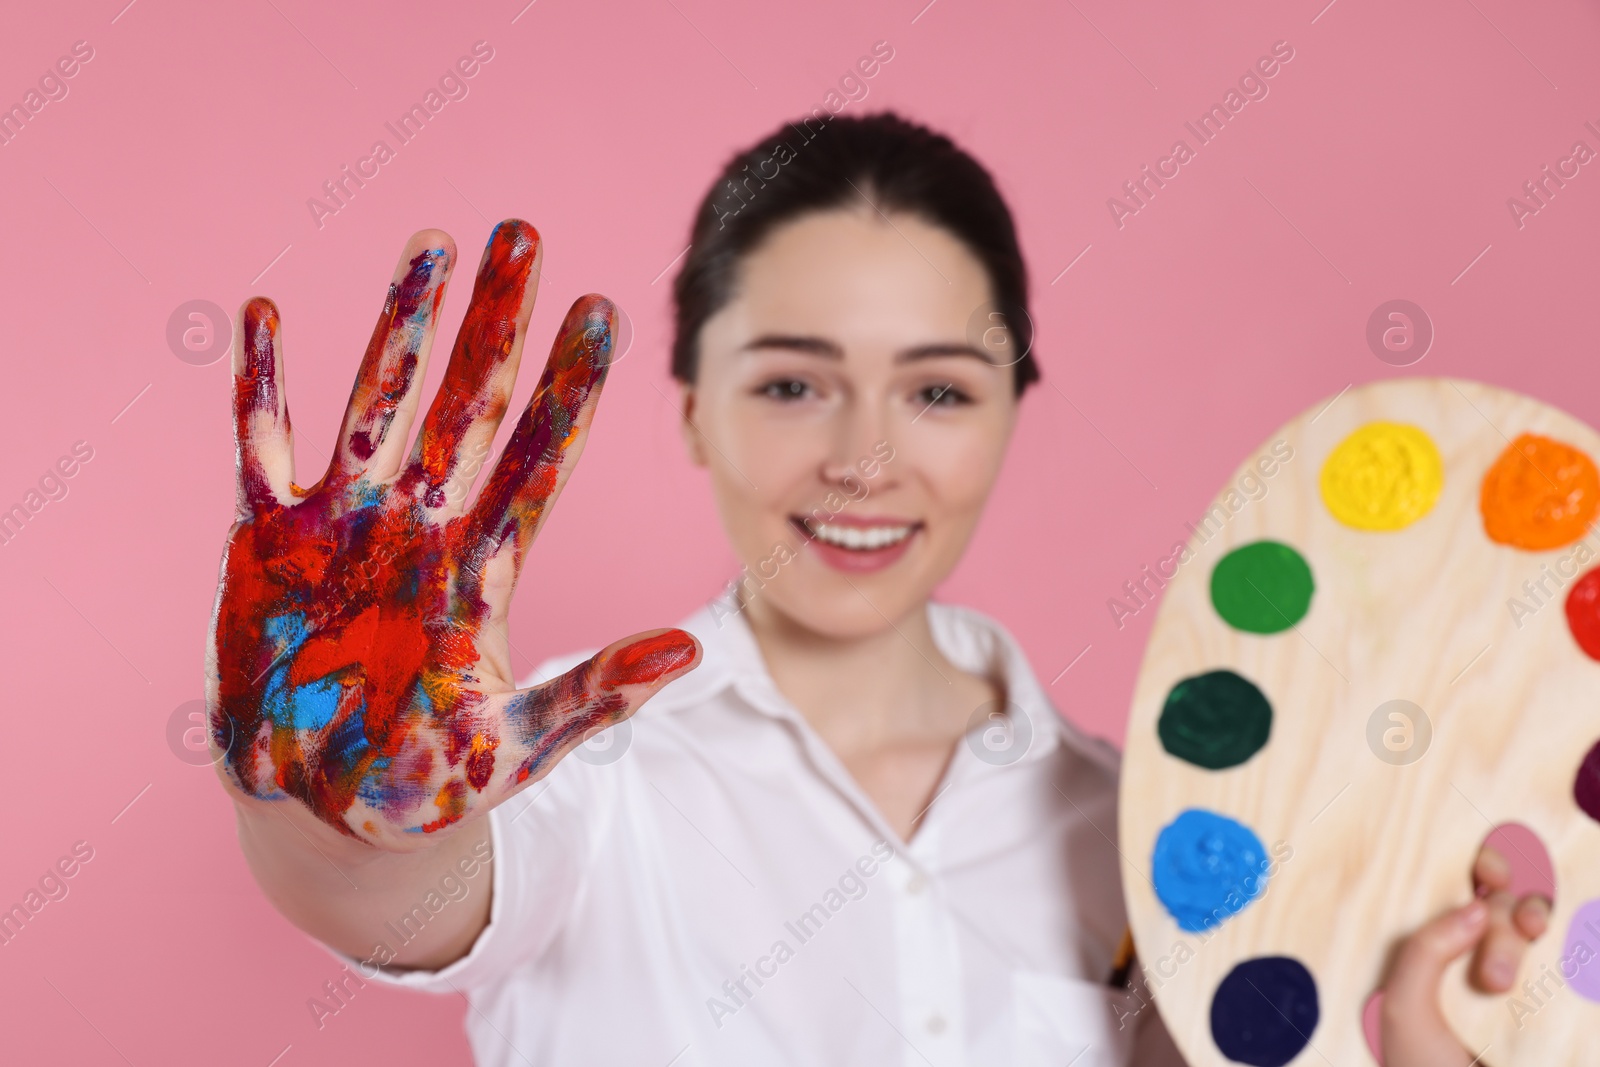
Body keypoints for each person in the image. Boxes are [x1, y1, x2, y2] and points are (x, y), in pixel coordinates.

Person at [208, 112, 1549, 1066]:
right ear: (689, 412)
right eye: (792, 381)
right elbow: (399, 890)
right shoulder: (563, 760)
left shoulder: (1154, 840)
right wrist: (333, 808)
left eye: (939, 390)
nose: (864, 457)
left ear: (1016, 410)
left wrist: (1388, 1029)